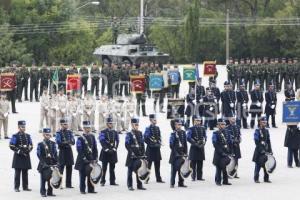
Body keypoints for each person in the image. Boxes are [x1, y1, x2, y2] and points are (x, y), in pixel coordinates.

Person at [75, 121, 98, 194]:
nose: (88, 129)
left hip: (90, 159)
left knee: (91, 174)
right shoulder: (80, 138)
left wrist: (95, 157)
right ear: (84, 128)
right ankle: (82, 189)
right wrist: (84, 158)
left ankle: (91, 189)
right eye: (87, 128)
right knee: (82, 175)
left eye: (89, 127)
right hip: (82, 160)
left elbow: (95, 148)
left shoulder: (92, 136)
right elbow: (79, 150)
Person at [9, 120, 33, 192]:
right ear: (18, 127)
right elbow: (11, 145)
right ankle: (16, 187)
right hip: (18, 156)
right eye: (22, 127)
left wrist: (28, 150)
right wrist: (19, 151)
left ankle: (25, 186)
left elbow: (31, 145)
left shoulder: (28, 136)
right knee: (17, 172)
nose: (23, 128)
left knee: (25, 172)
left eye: (24, 127)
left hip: (26, 155)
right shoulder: (15, 136)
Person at [125, 118, 147, 191]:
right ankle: (130, 185)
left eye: (137, 125)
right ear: (132, 125)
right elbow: (127, 144)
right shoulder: (129, 134)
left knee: (139, 170)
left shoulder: (140, 133)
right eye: (135, 125)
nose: (137, 126)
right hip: (131, 155)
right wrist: (131, 152)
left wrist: (143, 153)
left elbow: (142, 144)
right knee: (130, 171)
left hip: (139, 155)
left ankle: (139, 185)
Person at [37, 128, 58, 197]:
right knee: (43, 179)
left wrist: (57, 162)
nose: (48, 136)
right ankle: (43, 192)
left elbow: (55, 154)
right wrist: (43, 163)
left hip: (51, 163)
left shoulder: (53, 143)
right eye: (46, 135)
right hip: (44, 163)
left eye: (49, 135)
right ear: (43, 135)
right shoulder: (40, 144)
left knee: (51, 178)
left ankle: (50, 191)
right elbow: (39, 155)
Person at [144, 114, 164, 184]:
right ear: (150, 120)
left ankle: (158, 178)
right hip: (150, 149)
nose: (155, 121)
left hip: (157, 149)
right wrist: (151, 144)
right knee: (148, 165)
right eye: (154, 120)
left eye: (156, 119)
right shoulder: (148, 128)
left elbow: (159, 137)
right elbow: (145, 138)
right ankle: (146, 178)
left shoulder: (157, 128)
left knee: (157, 164)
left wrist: (159, 143)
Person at [99, 117, 119, 186]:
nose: (111, 125)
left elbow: (117, 141)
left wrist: (115, 148)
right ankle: (102, 181)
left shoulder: (115, 132)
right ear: (107, 124)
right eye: (110, 123)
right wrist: (106, 149)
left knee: (112, 168)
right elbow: (102, 141)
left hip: (113, 151)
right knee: (104, 168)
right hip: (105, 152)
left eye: (112, 123)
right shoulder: (103, 132)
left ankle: (112, 181)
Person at [55, 119, 75, 188]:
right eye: (65, 124)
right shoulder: (58, 133)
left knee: (69, 168)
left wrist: (67, 142)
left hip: (69, 151)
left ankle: (68, 184)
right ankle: (59, 184)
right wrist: (67, 143)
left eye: (67, 124)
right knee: (61, 168)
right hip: (62, 152)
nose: (66, 125)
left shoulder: (70, 132)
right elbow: (58, 142)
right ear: (61, 124)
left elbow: (73, 141)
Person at [253, 116, 273, 183]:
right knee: (258, 165)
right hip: (259, 151)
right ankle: (256, 178)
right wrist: (261, 150)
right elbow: (256, 142)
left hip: (266, 150)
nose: (265, 123)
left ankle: (266, 178)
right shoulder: (257, 131)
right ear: (260, 122)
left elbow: (268, 141)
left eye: (265, 122)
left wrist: (270, 150)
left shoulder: (267, 131)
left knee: (266, 165)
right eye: (263, 122)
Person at [212, 118, 232, 186]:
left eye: (224, 124)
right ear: (218, 125)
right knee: (218, 167)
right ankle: (218, 181)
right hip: (218, 153)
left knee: (224, 167)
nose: (223, 126)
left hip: (226, 152)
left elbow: (229, 142)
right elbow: (215, 144)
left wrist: (230, 151)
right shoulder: (215, 133)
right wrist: (221, 152)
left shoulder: (227, 132)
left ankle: (225, 181)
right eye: (222, 124)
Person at [187, 116, 207, 181]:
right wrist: (195, 143)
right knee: (193, 163)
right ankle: (193, 176)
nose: (198, 122)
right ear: (194, 121)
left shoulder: (203, 128)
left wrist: (203, 143)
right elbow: (188, 137)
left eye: (199, 120)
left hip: (201, 147)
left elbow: (205, 137)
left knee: (200, 163)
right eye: (197, 120)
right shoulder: (191, 128)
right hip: (194, 148)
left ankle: (199, 177)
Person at [169, 119, 188, 188]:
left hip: (182, 154)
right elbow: (171, 145)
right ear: (175, 125)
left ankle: (181, 183)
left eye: (180, 125)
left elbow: (185, 144)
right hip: (175, 155)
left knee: (181, 169)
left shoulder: (183, 133)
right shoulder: (173, 134)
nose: (179, 126)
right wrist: (176, 153)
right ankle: (172, 183)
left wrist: (186, 153)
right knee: (174, 170)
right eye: (178, 125)